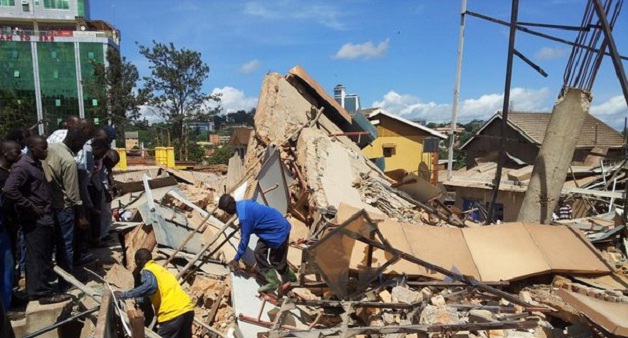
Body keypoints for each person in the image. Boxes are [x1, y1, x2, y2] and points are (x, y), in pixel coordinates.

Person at [4, 136, 71, 305]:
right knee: (38, 256)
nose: (46, 151)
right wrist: (30, 206)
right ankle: (42, 293)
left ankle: (35, 290)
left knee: (41, 255)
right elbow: (9, 189)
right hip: (36, 220)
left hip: (43, 217)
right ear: (32, 148)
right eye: (42, 148)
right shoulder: (23, 167)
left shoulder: (35, 164)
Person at [217, 194, 296, 292]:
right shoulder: (243, 203)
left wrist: (236, 259)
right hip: (270, 227)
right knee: (259, 252)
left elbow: (244, 240)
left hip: (278, 231)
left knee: (276, 261)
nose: (226, 212)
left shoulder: (244, 218)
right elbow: (254, 212)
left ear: (232, 204)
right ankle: (273, 282)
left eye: (226, 209)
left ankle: (292, 280)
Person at [114, 249, 194, 338]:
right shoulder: (160, 270)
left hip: (172, 314)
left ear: (138, 261)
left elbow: (151, 286)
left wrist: (125, 294)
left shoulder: (148, 270)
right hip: (187, 310)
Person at [44, 128, 89, 284]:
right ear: (74, 141)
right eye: (81, 144)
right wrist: (81, 216)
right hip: (64, 207)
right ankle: (66, 281)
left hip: (47, 206)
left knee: (49, 245)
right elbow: (73, 194)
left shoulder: (50, 148)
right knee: (65, 246)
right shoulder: (69, 161)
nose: (81, 148)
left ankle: (48, 277)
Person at [0, 141, 22, 309]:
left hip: (8, 227)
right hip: (3, 228)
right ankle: (7, 308)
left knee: (9, 266)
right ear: (4, 153)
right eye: (16, 152)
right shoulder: (3, 177)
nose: (20, 155)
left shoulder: (8, 173)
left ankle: (11, 298)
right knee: (6, 267)